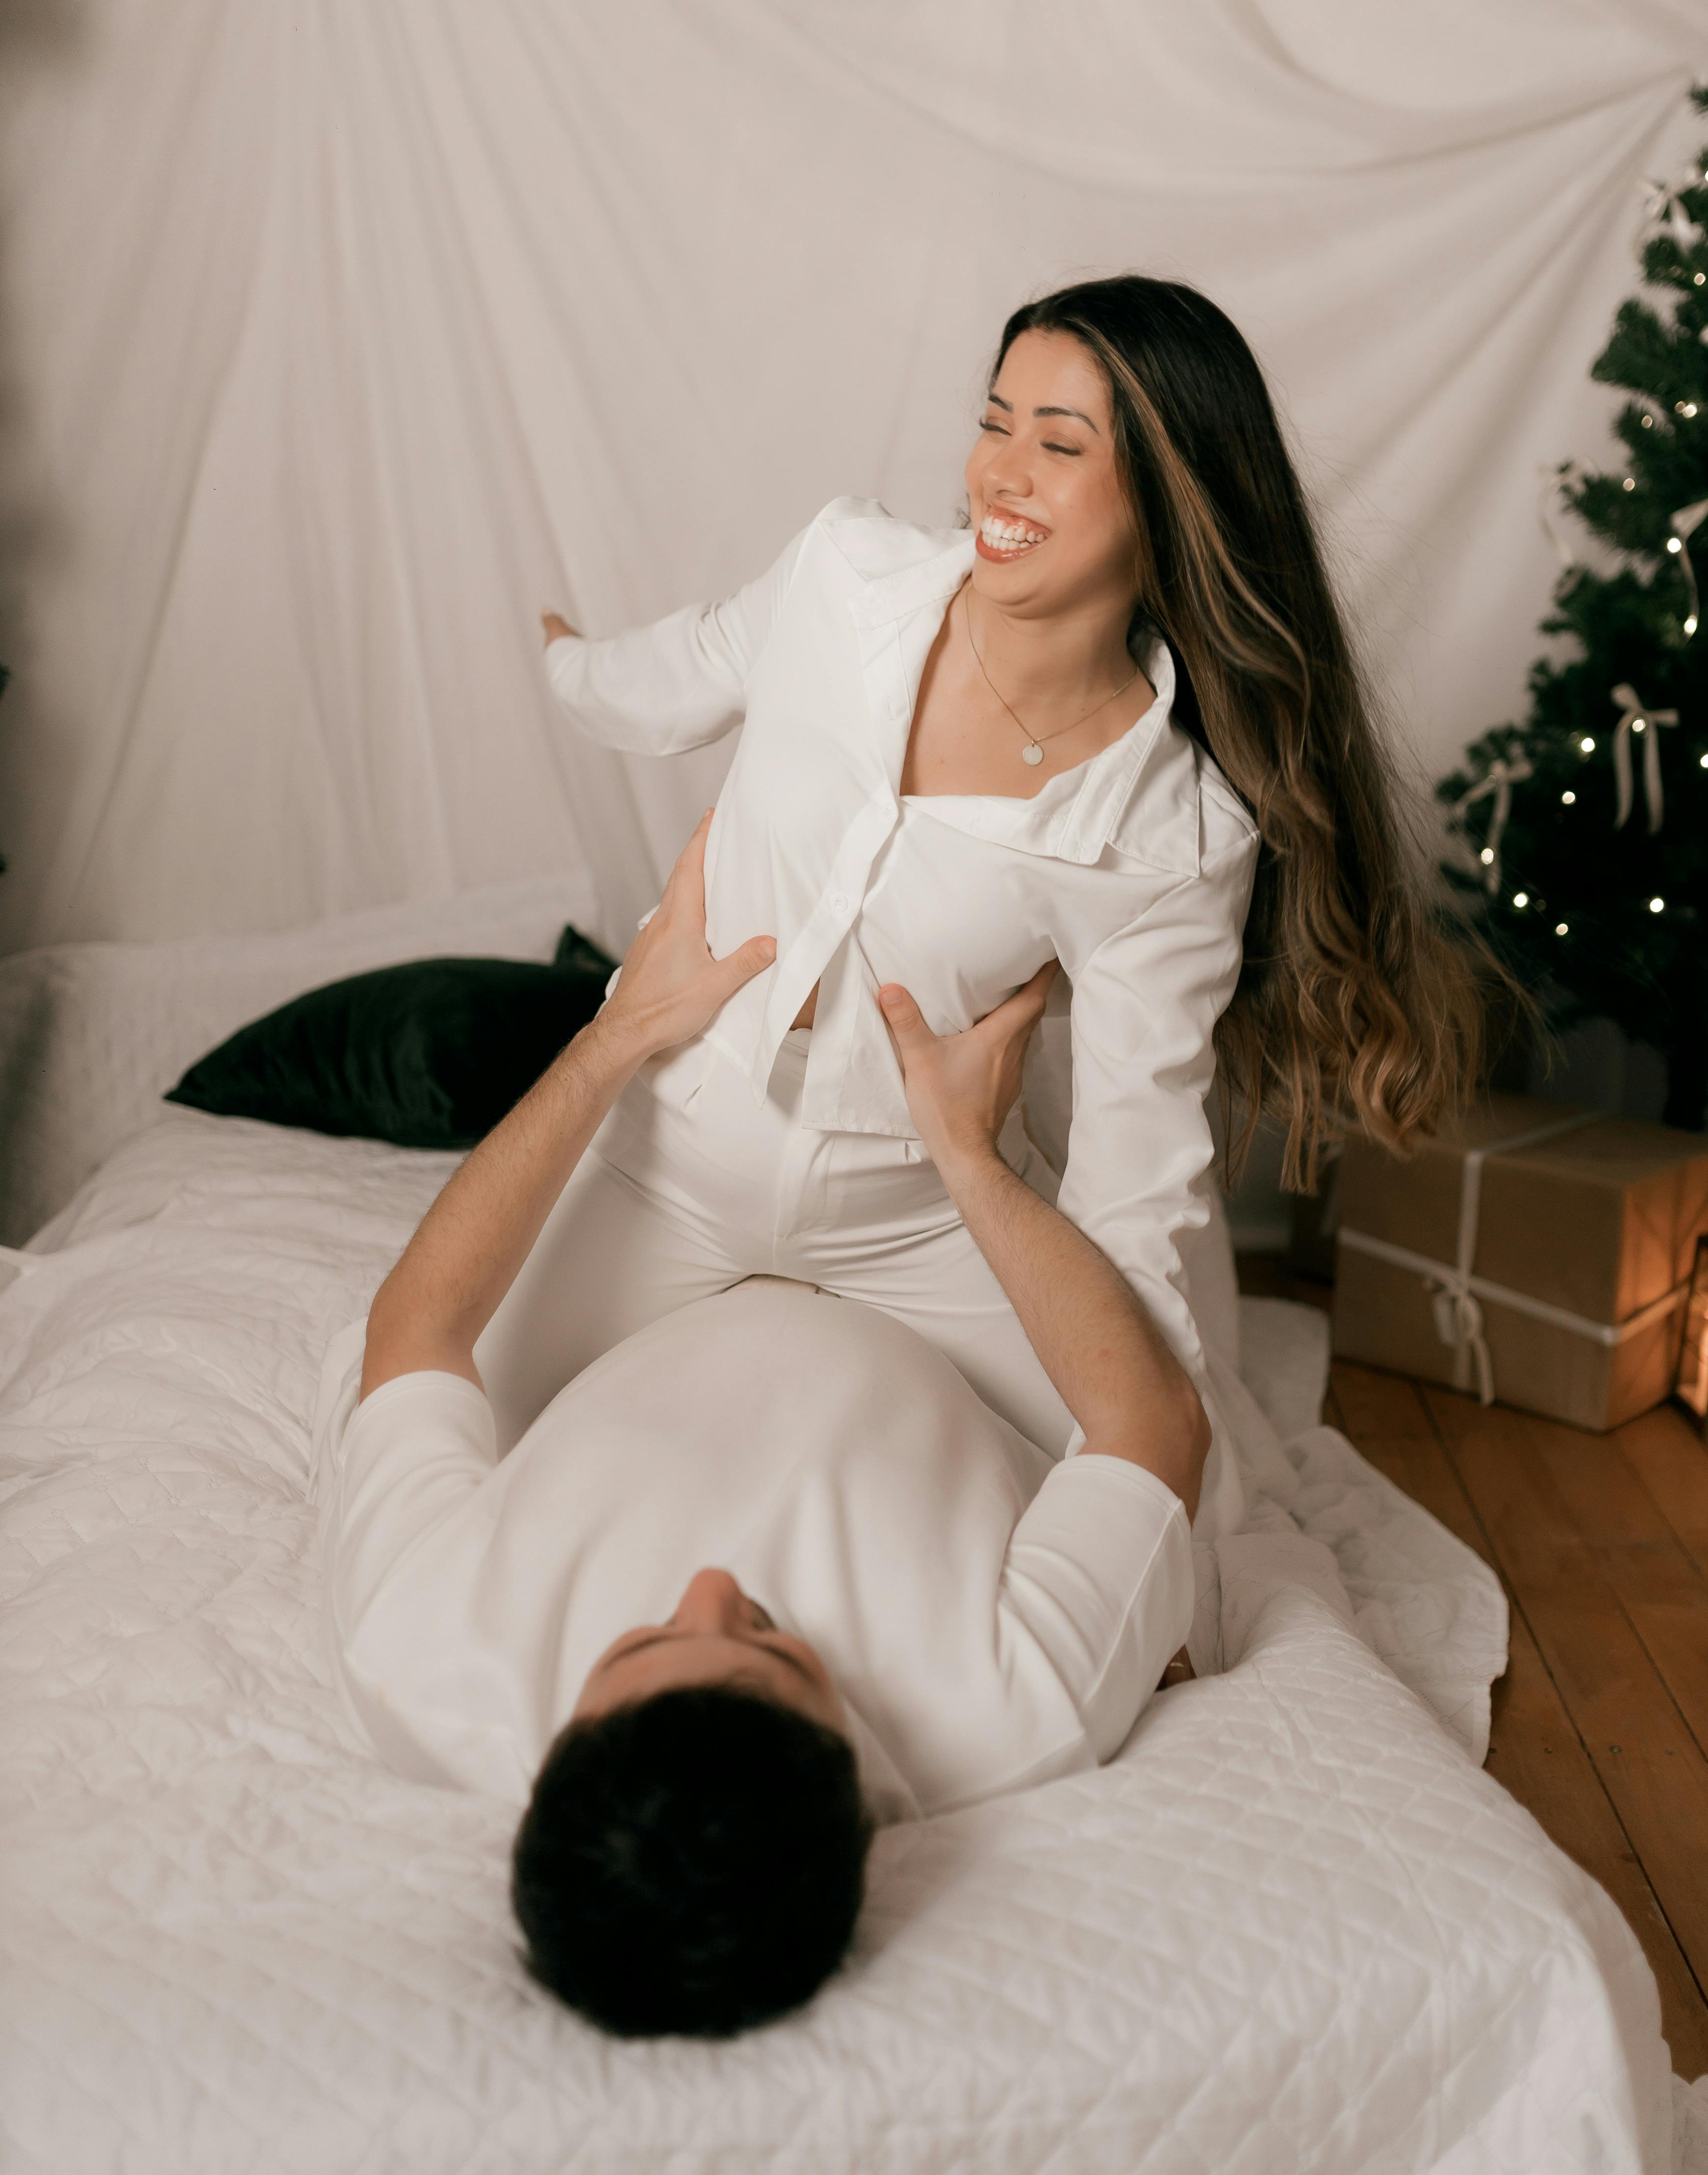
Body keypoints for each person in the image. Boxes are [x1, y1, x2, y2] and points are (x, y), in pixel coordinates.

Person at [484, 274, 1470, 1464]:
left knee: (1149, 1494)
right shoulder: (843, 577)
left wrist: (1150, 1426)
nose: (1000, 473)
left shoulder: (1176, 832)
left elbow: (1133, 1192)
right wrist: (565, 660)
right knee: (448, 1408)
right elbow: (662, 678)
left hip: (917, 1214)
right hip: (676, 1148)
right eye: (996, 422)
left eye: (1059, 443)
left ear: (1172, 496)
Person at [314, 816, 1209, 2041]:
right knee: (1169, 1396)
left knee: (714, 1013)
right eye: (774, 1648)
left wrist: (616, 1035)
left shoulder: (420, 1659)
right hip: (928, 1324)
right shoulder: (1010, 1716)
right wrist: (968, 1157)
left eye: (638, 1642)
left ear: (555, 1745)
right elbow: (1151, 1427)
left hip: (625, 1322)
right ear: (860, 1783)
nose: (712, 1589)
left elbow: (416, 1331)